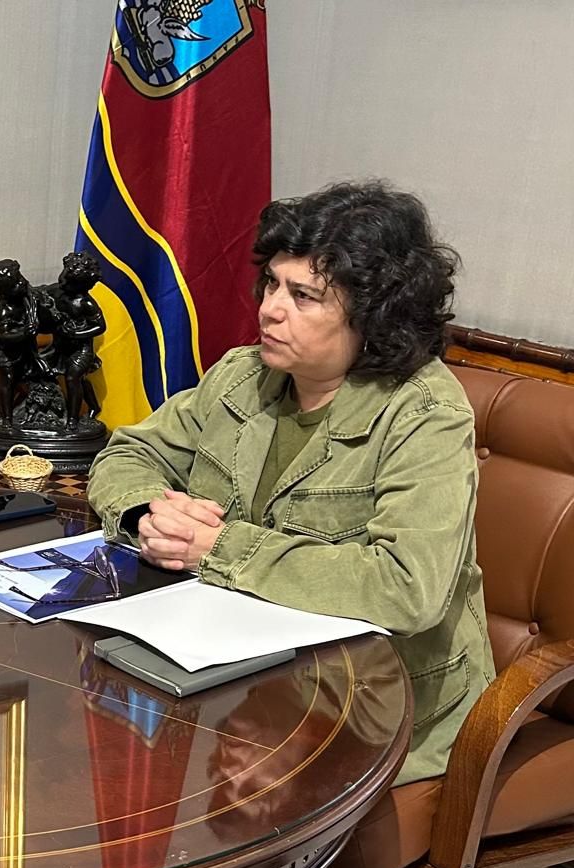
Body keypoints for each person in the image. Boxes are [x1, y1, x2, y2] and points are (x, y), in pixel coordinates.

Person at [88, 180, 492, 793]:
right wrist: (147, 512)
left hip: (374, 711)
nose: (271, 309)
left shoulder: (425, 414)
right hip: (243, 682)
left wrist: (219, 549)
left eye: (304, 296)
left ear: (373, 314)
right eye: (272, 284)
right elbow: (131, 451)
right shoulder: (243, 374)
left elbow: (409, 588)